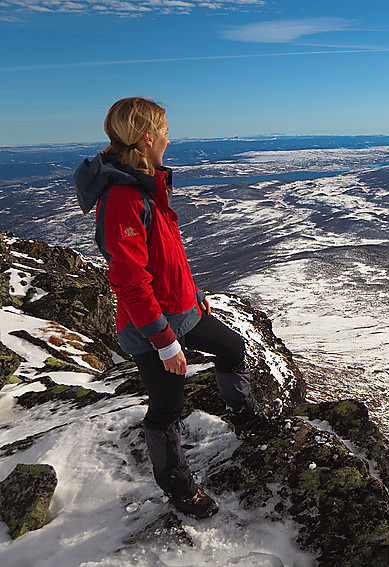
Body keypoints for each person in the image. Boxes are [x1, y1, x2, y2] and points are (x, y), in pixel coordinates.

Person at [74, 97, 275, 519]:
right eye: (164, 130)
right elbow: (130, 279)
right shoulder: (124, 198)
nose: (169, 137)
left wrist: (193, 291)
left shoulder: (148, 186)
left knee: (232, 349)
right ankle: (179, 488)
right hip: (151, 327)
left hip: (184, 309)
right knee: (167, 410)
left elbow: (168, 256)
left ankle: (244, 417)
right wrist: (165, 342)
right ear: (147, 138)